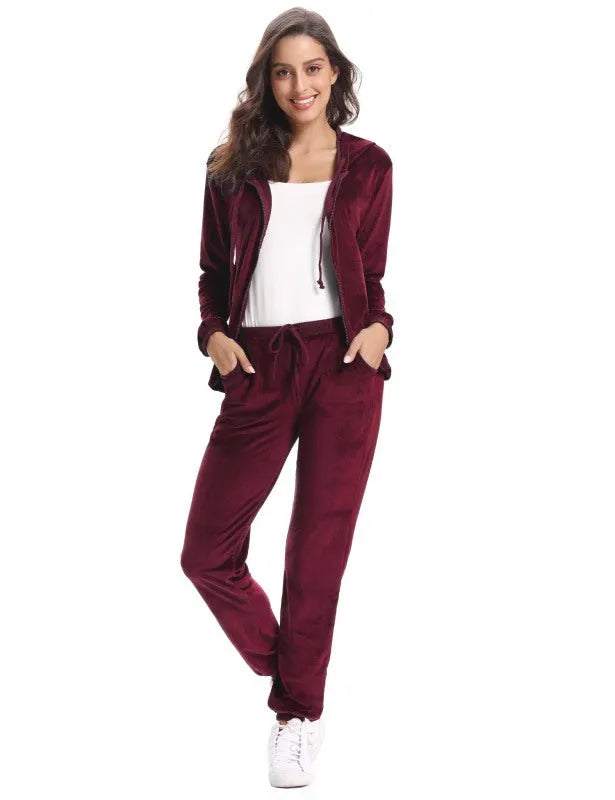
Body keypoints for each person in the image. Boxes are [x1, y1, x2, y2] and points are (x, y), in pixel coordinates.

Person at [180, 7, 394, 789]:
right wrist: (212, 335)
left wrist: (378, 331)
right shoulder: (231, 166)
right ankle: (294, 675)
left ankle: (296, 716)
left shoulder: (369, 165)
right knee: (206, 553)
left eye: (311, 68)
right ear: (265, 81)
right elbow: (212, 273)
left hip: (343, 362)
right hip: (258, 364)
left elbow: (371, 269)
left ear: (333, 73)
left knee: (316, 551)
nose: (298, 83)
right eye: (282, 70)